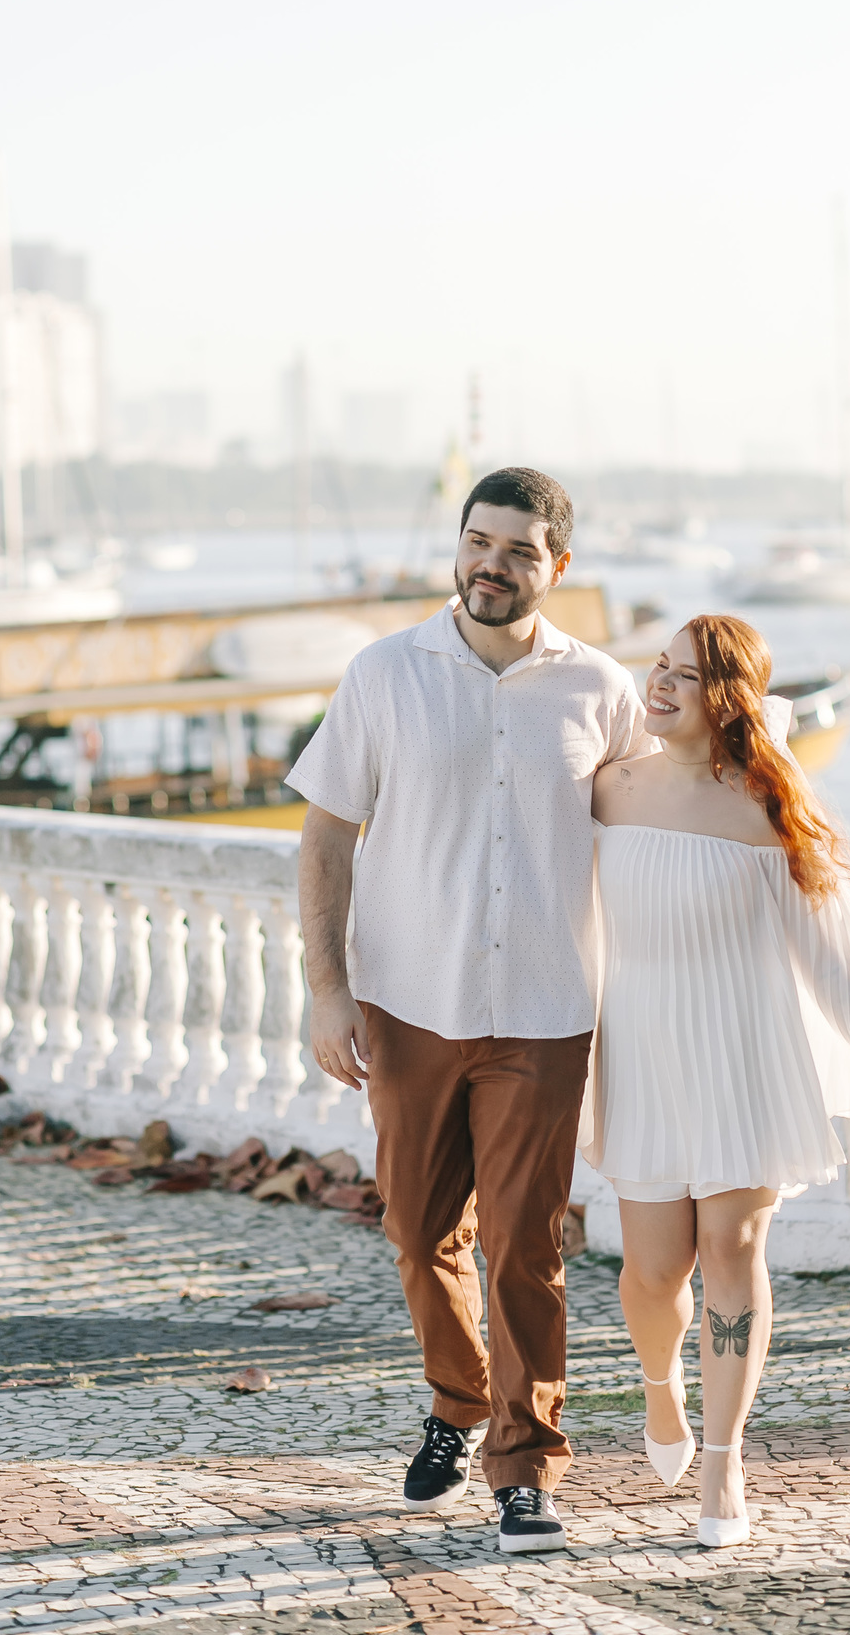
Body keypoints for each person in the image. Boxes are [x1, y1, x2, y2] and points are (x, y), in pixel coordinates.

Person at [288, 467, 653, 1555]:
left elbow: (654, 833)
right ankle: (457, 1398)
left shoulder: (601, 689)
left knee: (525, 1246)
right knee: (416, 1230)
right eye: (478, 542)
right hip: (409, 1004)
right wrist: (326, 989)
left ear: (558, 566)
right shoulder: (384, 674)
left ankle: (525, 1465)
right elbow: (325, 835)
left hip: (545, 1011)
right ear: (458, 547)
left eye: (519, 550)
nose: (492, 565)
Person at [585, 614, 850, 1548]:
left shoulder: (768, 803)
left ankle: (724, 1464)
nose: (659, 685)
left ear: (727, 699)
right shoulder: (608, 789)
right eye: (659, 667)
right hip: (642, 1054)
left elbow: (834, 946)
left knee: (732, 1252)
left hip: (742, 1052)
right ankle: (661, 1389)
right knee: (655, 1269)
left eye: (686, 676)